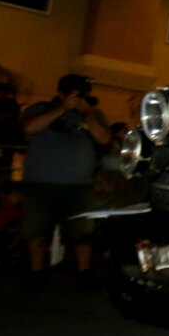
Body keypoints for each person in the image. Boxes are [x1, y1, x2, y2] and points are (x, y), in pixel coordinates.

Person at [19, 73, 111, 288]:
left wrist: (88, 113)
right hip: (39, 183)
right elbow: (28, 128)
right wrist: (61, 108)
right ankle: (36, 272)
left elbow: (104, 138)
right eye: (73, 94)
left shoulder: (93, 114)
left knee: (82, 232)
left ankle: (84, 272)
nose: (78, 98)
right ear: (61, 93)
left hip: (79, 186)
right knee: (36, 230)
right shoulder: (40, 108)